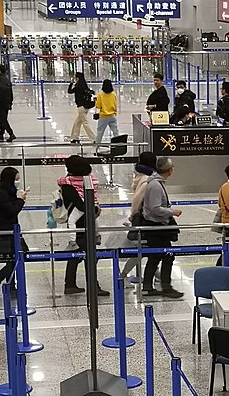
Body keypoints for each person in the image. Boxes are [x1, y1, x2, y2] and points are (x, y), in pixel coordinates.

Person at [60, 155, 109, 296]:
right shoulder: (69, 186)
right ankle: (93, 286)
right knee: (89, 258)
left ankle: (70, 284)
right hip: (81, 226)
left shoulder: (71, 184)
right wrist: (94, 209)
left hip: (83, 224)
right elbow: (81, 205)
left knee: (75, 257)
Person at [141, 156, 184, 298]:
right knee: (164, 255)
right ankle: (164, 286)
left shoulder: (156, 183)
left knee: (158, 256)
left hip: (158, 225)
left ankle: (149, 286)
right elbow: (154, 208)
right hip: (156, 226)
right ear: (170, 170)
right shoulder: (155, 185)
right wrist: (172, 211)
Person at [0, 167, 27, 301]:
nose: (17, 182)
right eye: (16, 179)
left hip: (11, 230)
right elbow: (11, 211)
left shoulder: (8, 191)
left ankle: (10, 285)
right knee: (13, 259)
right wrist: (21, 200)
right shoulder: (2, 193)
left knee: (15, 257)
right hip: (4, 232)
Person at [119, 151, 158, 280]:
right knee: (140, 250)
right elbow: (138, 199)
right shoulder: (148, 179)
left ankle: (158, 275)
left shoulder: (139, 176)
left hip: (141, 217)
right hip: (145, 218)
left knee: (149, 248)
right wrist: (134, 214)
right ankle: (123, 275)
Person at [68, 72, 96, 144]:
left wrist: (71, 83)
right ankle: (74, 137)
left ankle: (93, 139)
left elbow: (69, 91)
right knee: (77, 122)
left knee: (85, 123)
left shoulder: (78, 87)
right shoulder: (84, 85)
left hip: (81, 107)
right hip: (86, 106)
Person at [0, 64, 16, 142]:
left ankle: (11, 133)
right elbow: (10, 92)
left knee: (2, 120)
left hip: (0, 103)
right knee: (3, 118)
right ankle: (1, 133)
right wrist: (10, 102)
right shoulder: (7, 80)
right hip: (6, 102)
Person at [94, 79, 119, 151]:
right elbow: (115, 104)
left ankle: (97, 147)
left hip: (103, 116)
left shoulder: (100, 94)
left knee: (100, 132)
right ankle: (118, 146)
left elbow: (98, 106)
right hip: (112, 115)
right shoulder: (113, 94)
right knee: (115, 131)